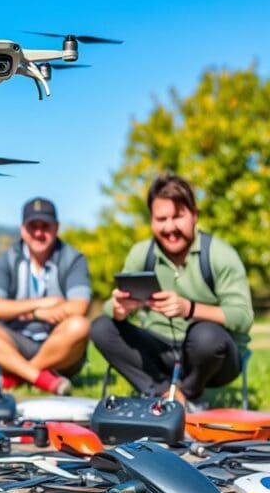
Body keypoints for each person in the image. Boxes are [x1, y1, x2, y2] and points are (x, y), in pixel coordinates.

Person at [90, 173, 253, 409]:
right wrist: (118, 308)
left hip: (213, 358)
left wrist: (189, 309)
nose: (169, 227)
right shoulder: (141, 254)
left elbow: (244, 317)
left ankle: (190, 393)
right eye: (161, 218)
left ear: (194, 216)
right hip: (159, 350)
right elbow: (110, 306)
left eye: (178, 217)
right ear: (151, 221)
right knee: (101, 327)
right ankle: (166, 396)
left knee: (206, 335)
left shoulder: (219, 254)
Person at [0, 198, 91, 395]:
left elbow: (79, 308)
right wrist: (40, 308)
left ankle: (18, 376)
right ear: (22, 229)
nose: (39, 233)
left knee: (80, 325)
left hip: (58, 345)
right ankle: (40, 378)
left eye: (45, 226)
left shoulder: (73, 259)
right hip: (15, 341)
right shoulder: (7, 258)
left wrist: (20, 310)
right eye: (32, 226)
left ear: (56, 228)